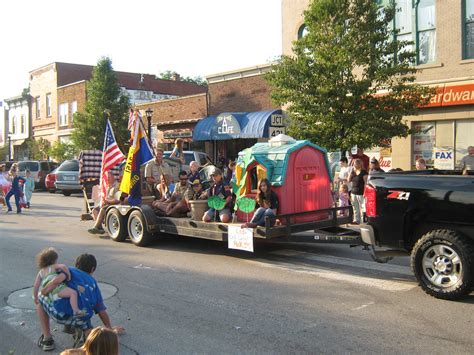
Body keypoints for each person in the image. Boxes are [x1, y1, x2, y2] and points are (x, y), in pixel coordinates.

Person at [36, 253, 124, 352]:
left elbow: (52, 276)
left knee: (41, 297)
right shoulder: (94, 284)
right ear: (92, 269)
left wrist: (46, 289)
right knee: (85, 311)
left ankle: (47, 340)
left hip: (61, 314)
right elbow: (101, 311)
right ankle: (88, 337)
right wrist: (110, 329)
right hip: (81, 317)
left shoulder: (68, 270)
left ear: (76, 265)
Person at [33, 248, 86, 319]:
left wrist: (35, 297)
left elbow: (36, 286)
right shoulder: (53, 266)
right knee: (73, 293)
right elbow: (63, 266)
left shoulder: (41, 271)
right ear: (53, 260)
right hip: (58, 289)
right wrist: (68, 276)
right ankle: (76, 310)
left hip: (50, 294)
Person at [348, 159, 368, 224]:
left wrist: (365, 192)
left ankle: (363, 221)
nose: (354, 165)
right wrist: (350, 172)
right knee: (355, 207)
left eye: (355, 164)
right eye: (354, 164)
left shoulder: (364, 172)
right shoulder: (353, 172)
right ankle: (356, 220)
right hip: (353, 192)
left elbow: (366, 183)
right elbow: (348, 180)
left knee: (362, 207)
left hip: (361, 192)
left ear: (359, 164)